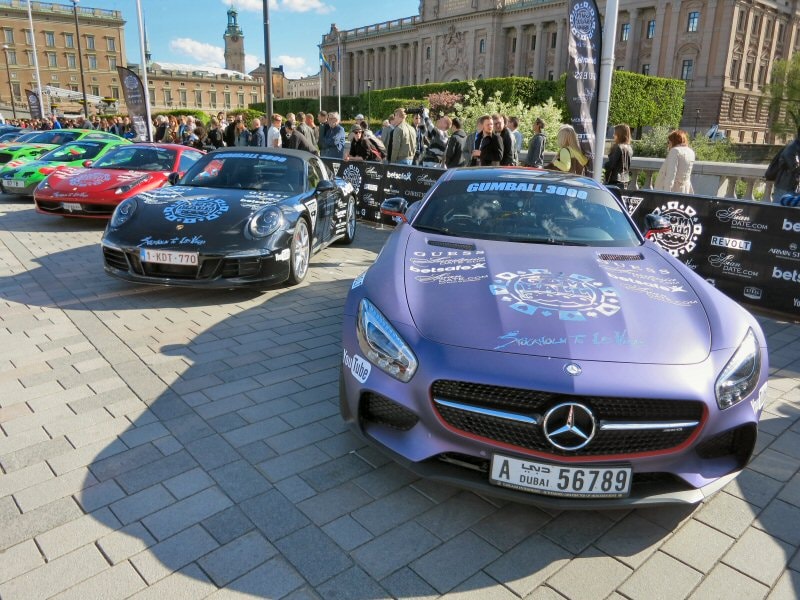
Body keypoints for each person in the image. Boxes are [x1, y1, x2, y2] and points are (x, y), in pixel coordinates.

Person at [771, 127, 800, 201]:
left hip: (792, 187)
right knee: (779, 211)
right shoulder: (792, 148)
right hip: (784, 187)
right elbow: (794, 167)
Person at [604, 123, 633, 189]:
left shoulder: (618, 147)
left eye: (615, 133)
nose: (613, 135)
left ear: (619, 134)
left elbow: (611, 164)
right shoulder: (629, 148)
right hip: (625, 179)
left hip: (615, 180)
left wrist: (604, 165)